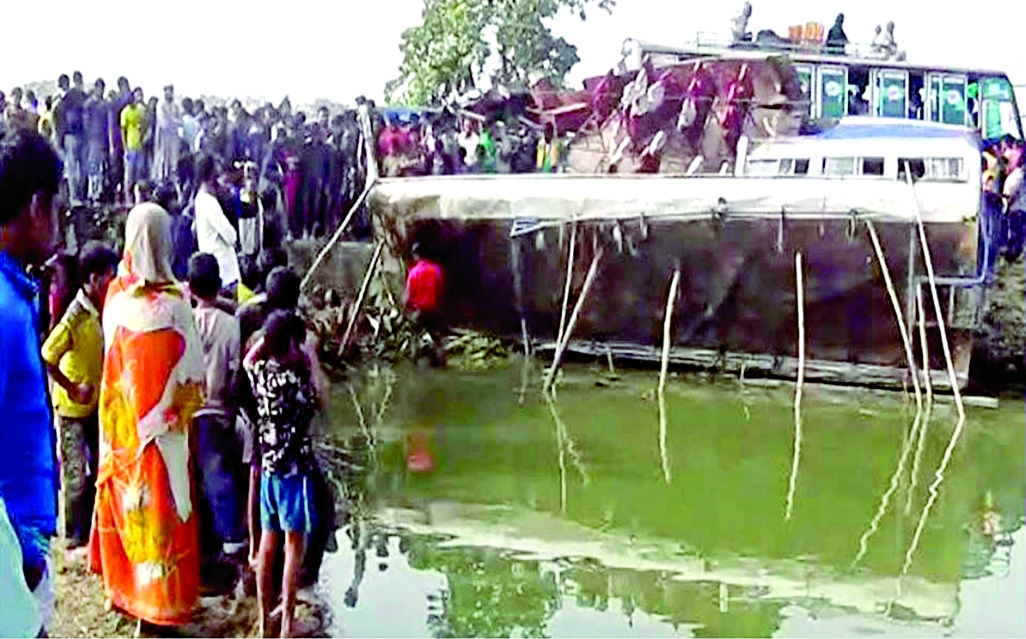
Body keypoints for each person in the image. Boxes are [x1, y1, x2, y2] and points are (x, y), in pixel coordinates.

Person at [89, 203, 205, 628]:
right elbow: (195, 376)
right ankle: (159, 610)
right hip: (165, 436)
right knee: (164, 517)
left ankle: (127, 597)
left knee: (130, 511)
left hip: (121, 434)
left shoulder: (115, 300)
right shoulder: (177, 306)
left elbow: (111, 369)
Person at [1, 130, 62, 628]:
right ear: (37, 206)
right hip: (11, 552)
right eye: (57, 209)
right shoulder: (2, 309)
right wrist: (19, 551)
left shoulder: (16, 292)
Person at [244, 310, 328, 638]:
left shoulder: (260, 374)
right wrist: (312, 360)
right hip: (295, 473)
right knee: (294, 546)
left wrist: (268, 340)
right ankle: (288, 621)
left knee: (268, 541)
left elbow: (250, 361)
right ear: (293, 343)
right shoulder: (297, 382)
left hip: (268, 471)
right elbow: (322, 399)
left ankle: (266, 619)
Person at [40, 243, 117, 550]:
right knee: (76, 472)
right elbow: (48, 356)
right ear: (94, 278)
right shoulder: (75, 314)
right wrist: (71, 387)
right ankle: (74, 535)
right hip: (72, 406)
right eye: (108, 276)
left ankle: (94, 529)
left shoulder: (103, 310)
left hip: (96, 404)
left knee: (99, 465)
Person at [188, 253, 246, 563]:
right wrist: (232, 410)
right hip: (218, 408)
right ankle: (231, 539)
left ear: (192, 287)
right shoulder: (230, 324)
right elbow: (236, 372)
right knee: (219, 475)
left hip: (190, 411)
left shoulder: (185, 320)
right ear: (219, 284)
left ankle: (203, 540)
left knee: (198, 477)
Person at [195, 154, 241, 299]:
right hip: (223, 268)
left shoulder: (200, 198)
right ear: (211, 173)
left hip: (213, 264)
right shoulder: (209, 202)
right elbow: (231, 237)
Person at [405, 243, 445, 366]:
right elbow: (440, 289)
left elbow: (409, 295)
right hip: (433, 309)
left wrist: (405, 309)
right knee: (437, 337)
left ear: (416, 255)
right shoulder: (436, 270)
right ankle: (441, 361)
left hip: (419, 311)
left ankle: (414, 362)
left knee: (414, 336)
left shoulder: (414, 272)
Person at [56, 72, 88, 205]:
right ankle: (79, 196)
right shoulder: (79, 96)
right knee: (79, 168)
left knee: (74, 168)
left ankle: (75, 197)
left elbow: (60, 121)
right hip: (78, 135)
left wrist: (60, 139)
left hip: (71, 135)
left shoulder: (63, 100)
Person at [84, 78, 109, 205]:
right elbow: (86, 123)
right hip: (92, 139)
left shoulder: (104, 105)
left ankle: (98, 193)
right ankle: (92, 194)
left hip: (102, 139)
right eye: (99, 88)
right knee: (93, 168)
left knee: (100, 168)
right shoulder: (89, 104)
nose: (101, 91)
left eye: (102, 88)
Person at [120, 88, 147, 205]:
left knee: (139, 174)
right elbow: (123, 130)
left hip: (139, 146)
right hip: (130, 146)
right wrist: (125, 147)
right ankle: (128, 198)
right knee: (129, 175)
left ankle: (138, 198)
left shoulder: (140, 111)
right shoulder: (125, 112)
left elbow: (144, 125)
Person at [153, 85, 181, 187]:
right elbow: (163, 122)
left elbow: (179, 121)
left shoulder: (176, 106)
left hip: (173, 137)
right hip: (163, 137)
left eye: (171, 91)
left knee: (174, 161)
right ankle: (161, 182)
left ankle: (171, 182)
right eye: (167, 91)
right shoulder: (161, 105)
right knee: (162, 159)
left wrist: (173, 121)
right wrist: (173, 121)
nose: (169, 93)